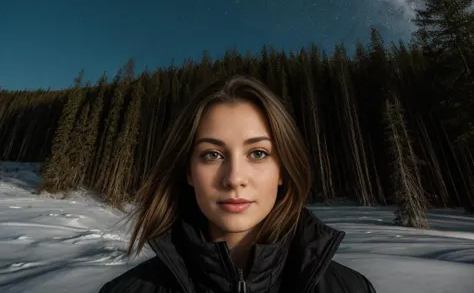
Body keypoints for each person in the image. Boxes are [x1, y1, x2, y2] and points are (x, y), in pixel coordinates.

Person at [98, 74, 377, 292]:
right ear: (189, 172)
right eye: (212, 155)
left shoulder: (351, 288)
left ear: (283, 170)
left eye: (258, 153)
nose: (234, 179)